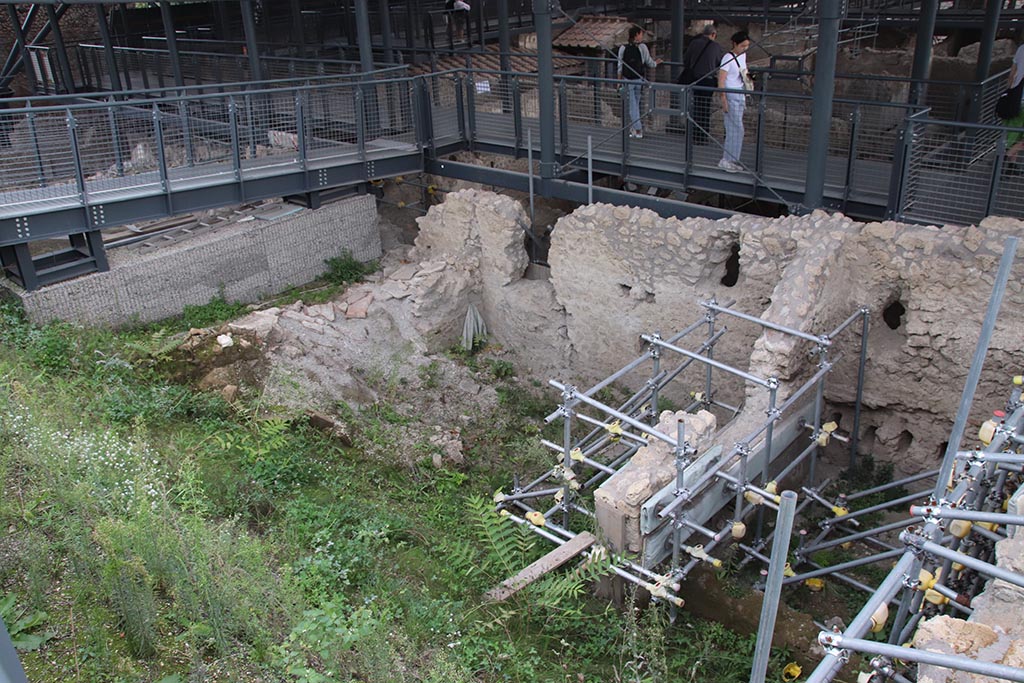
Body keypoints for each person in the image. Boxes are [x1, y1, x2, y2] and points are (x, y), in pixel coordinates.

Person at [679, 24, 725, 145]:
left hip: (694, 79)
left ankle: (694, 135)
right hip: (708, 81)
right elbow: (720, 63)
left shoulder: (694, 43)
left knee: (695, 106)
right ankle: (702, 136)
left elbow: (686, 60)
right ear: (713, 34)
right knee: (705, 108)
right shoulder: (716, 47)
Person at [617, 26, 661, 139]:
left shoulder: (623, 48)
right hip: (639, 79)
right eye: (641, 34)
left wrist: (618, 81)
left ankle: (636, 129)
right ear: (636, 35)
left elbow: (620, 66)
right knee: (635, 104)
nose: (642, 36)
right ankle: (637, 129)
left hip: (628, 80)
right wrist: (656, 63)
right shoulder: (643, 47)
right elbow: (649, 62)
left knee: (632, 106)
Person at [718, 30, 752, 172]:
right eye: (742, 46)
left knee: (736, 129)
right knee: (735, 129)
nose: (745, 48)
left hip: (740, 94)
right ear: (735, 44)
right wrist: (723, 99)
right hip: (731, 95)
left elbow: (744, 73)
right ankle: (727, 159)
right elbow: (721, 80)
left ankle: (732, 159)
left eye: (746, 46)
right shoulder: (727, 58)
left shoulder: (742, 56)